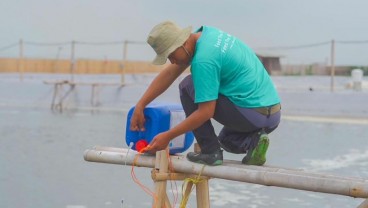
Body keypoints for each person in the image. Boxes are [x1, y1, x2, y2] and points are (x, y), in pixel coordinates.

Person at [130, 20, 281, 166]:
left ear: (181, 44)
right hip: (272, 116)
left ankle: (210, 152)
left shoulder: (203, 60)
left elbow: (206, 112)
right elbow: (169, 74)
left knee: (187, 86)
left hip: (251, 114)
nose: (172, 61)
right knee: (226, 140)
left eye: (170, 56)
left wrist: (168, 136)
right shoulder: (206, 36)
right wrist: (141, 105)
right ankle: (254, 141)